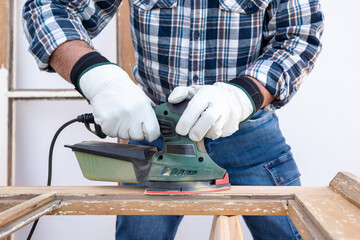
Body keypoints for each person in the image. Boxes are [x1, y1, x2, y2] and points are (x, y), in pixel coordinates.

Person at [23, 0, 324, 239]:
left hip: (248, 132)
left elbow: (299, 35)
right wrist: (94, 75)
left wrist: (242, 95)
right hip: (158, 132)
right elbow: (49, 7)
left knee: (294, 232)